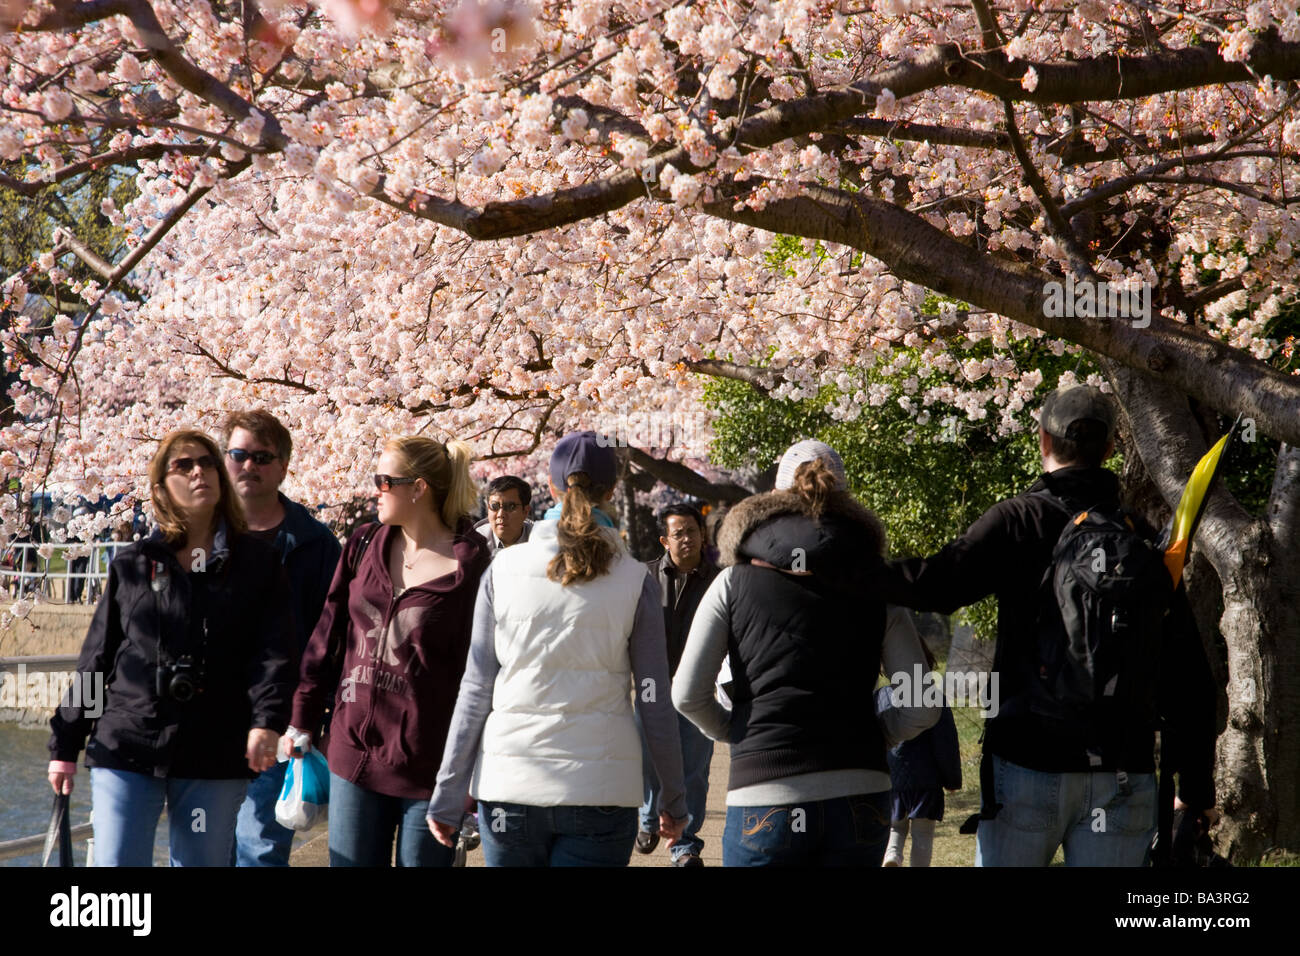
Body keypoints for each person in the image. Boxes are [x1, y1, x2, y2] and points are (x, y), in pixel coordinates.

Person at [869, 385, 1220, 866]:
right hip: (1124, 770)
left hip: (1027, 763)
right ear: (1112, 448)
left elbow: (936, 586)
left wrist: (839, 565)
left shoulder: (1019, 520)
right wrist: (1196, 787)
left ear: (1043, 441)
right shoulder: (1139, 539)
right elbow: (1188, 673)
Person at [427, 430, 688, 866]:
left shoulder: (503, 568)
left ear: (548, 487)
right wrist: (673, 798)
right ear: (611, 491)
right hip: (601, 788)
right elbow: (652, 696)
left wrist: (449, 792)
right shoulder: (633, 577)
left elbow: (476, 688)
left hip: (510, 784)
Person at [673, 440, 939, 866]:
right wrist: (880, 733)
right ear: (847, 503)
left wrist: (739, 731)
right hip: (860, 791)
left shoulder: (732, 583)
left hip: (763, 795)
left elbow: (686, 694)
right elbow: (922, 706)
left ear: (771, 501)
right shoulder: (876, 585)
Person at [47, 429, 297, 866]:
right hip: (128, 745)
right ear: (162, 488)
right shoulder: (135, 564)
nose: (199, 471)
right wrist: (66, 744)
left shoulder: (258, 565)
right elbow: (96, 662)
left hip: (213, 752)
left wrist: (266, 721)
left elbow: (273, 653)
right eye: (183, 465)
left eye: (206, 462)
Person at [284, 435, 489, 867]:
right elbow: (328, 635)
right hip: (352, 755)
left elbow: (482, 668)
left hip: (430, 768)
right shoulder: (363, 544)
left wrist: (472, 766)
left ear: (418, 488)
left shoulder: (471, 564)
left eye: (385, 481)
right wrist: (302, 718)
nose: (375, 489)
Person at [222, 409, 342, 867]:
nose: (249, 465)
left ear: (283, 467)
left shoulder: (314, 544)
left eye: (262, 457)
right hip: (206, 724)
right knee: (197, 852)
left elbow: (332, 638)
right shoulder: (196, 536)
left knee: (260, 851)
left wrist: (314, 717)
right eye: (238, 454)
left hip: (279, 724)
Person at [636, 503, 719, 866]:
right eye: (678, 533)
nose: (686, 538)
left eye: (692, 531)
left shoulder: (721, 580)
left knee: (694, 769)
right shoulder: (645, 577)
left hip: (700, 690)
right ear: (664, 540)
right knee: (648, 761)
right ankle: (648, 819)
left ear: (703, 535)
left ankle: (685, 844)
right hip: (653, 687)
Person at [882, 642, 962, 867]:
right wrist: (952, 779)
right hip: (926, 780)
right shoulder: (933, 697)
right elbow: (945, 742)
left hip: (893, 778)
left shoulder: (882, 696)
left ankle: (892, 856)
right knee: (923, 834)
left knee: (895, 826)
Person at [473, 475, 534, 554]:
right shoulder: (473, 543)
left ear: (525, 511)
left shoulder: (541, 541)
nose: (501, 514)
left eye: (510, 507)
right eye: (494, 506)